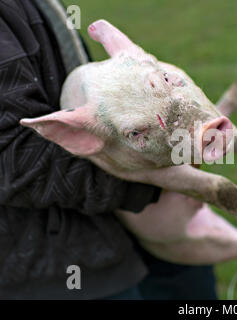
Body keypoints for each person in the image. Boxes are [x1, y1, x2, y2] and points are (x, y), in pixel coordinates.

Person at [0, 0, 217, 299]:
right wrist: (152, 181)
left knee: (189, 280)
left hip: (104, 227)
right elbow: (14, 160)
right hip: (55, 264)